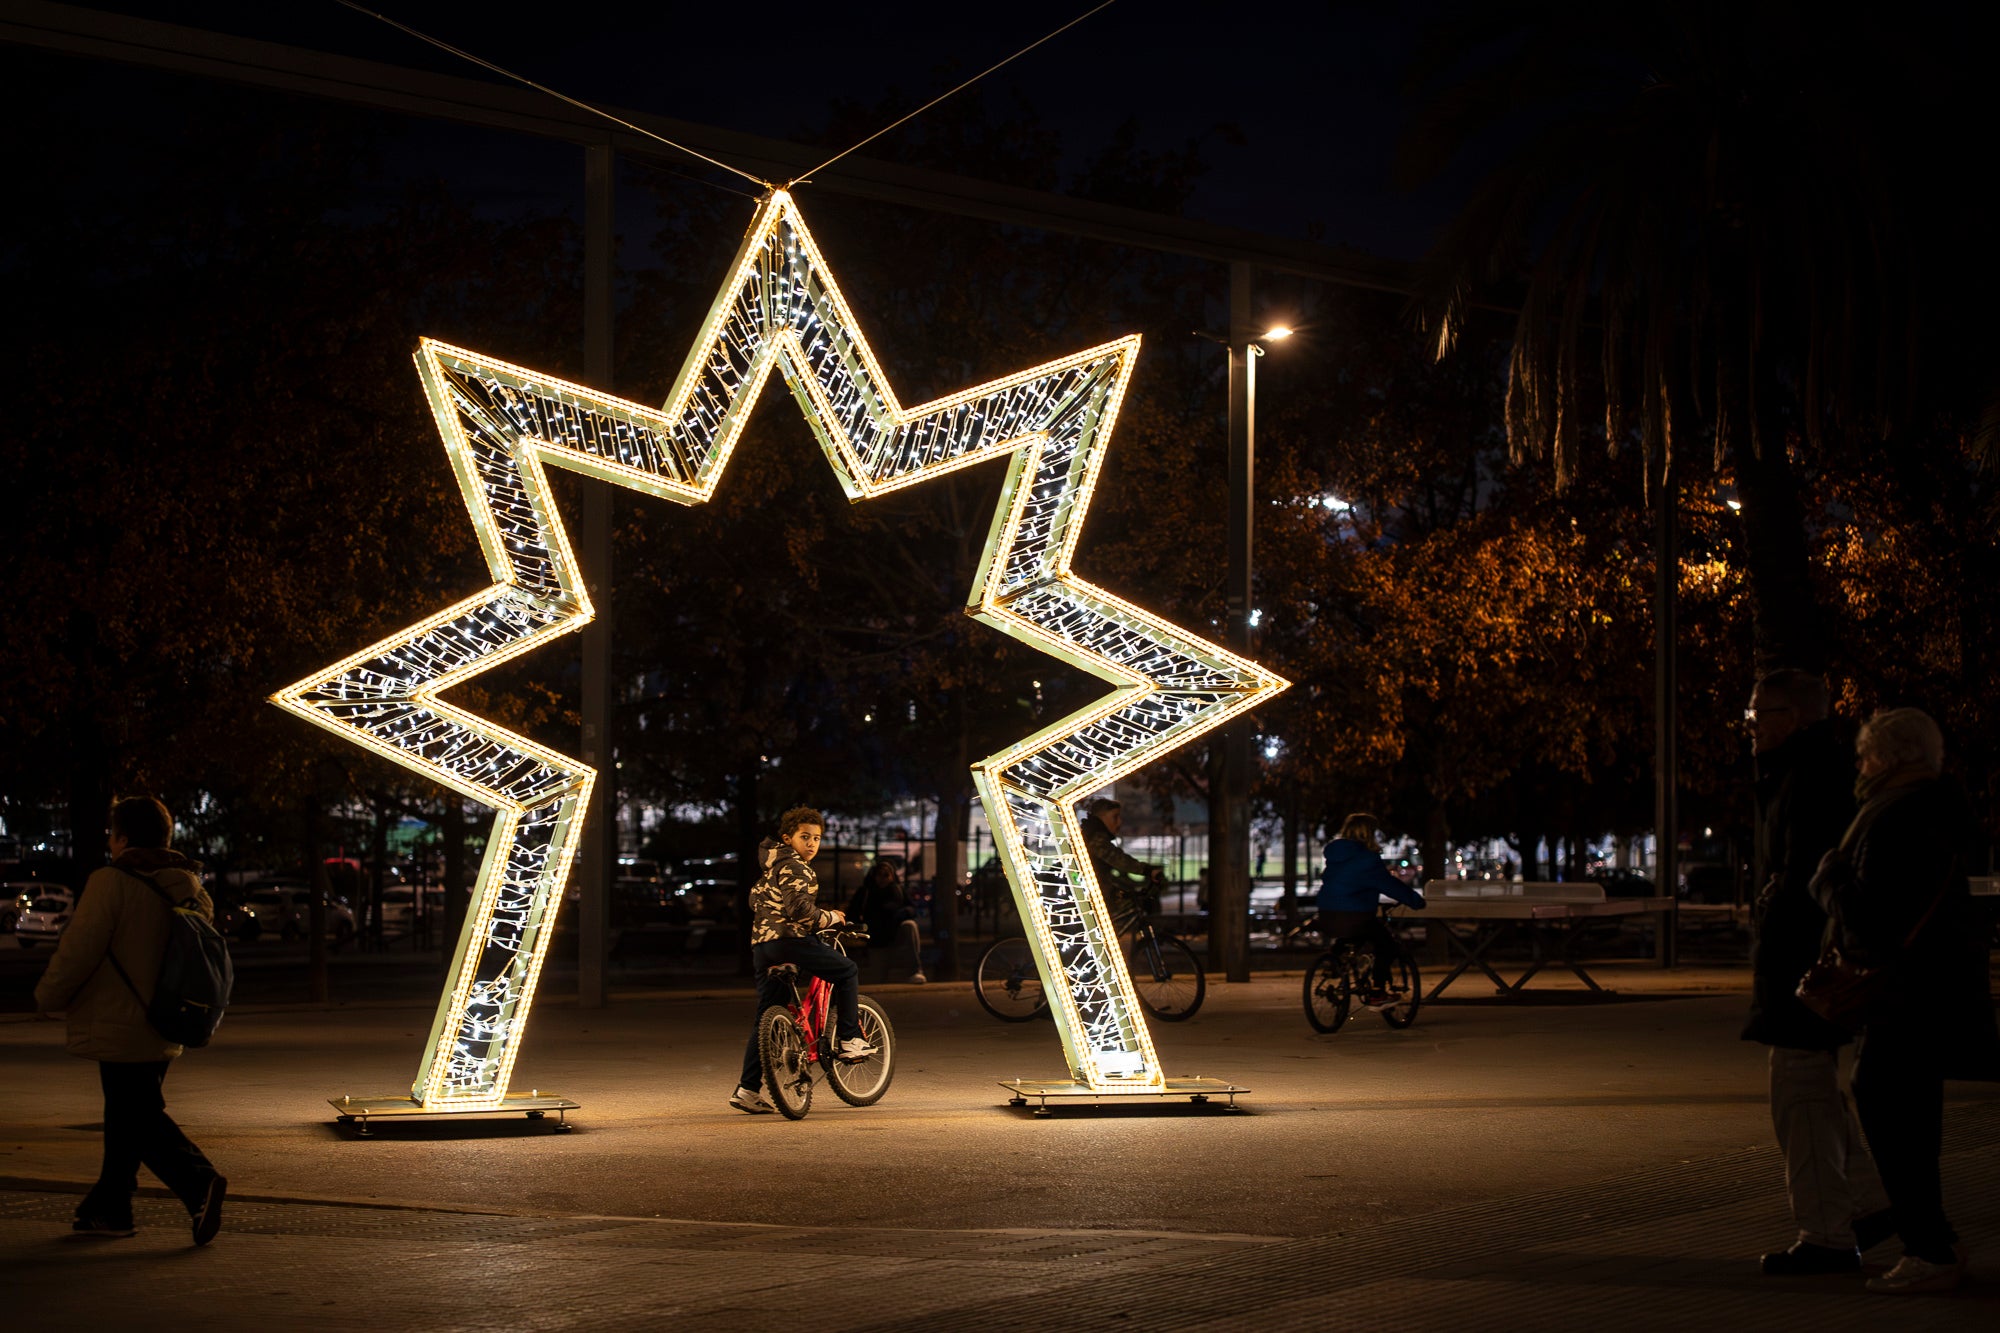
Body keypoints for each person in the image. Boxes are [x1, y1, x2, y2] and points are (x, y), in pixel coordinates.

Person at [1809, 708, 2000, 1295]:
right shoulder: (1948, 808)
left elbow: (1874, 921)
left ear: (1889, 759)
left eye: (1866, 756)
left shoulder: (1894, 815)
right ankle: (1937, 1240)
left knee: (1891, 1111)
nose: (1860, 767)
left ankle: (1929, 1247)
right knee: (1913, 1116)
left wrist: (1831, 880)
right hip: (1936, 990)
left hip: (1901, 996)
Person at [1739, 670, 1892, 1277]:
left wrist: (1776, 916)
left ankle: (1827, 1232)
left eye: (1759, 714)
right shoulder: (1808, 773)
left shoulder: (1806, 779)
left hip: (1802, 970)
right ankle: (1866, 1205)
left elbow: (1804, 876)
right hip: (1807, 965)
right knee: (1814, 1096)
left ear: (1795, 717)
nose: (1751, 728)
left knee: (1801, 1096)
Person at [33, 795, 227, 1245]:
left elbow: (79, 950)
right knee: (128, 1115)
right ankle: (111, 1207)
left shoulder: (110, 882)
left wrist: (47, 996)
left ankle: (199, 1182)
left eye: (111, 834)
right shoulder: (192, 889)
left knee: (138, 1118)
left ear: (121, 837)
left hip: (119, 1019)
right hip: (169, 1018)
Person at [730, 807, 874, 1115]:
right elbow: (798, 910)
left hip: (762, 948)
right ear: (788, 838)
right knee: (847, 970)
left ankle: (747, 1090)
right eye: (804, 837)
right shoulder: (795, 866)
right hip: (791, 942)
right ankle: (850, 1039)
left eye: (817, 838)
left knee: (766, 1017)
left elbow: (755, 900)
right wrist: (830, 917)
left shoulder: (769, 868)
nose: (811, 843)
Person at [1315, 813, 1426, 1001]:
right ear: (1369, 833)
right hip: (1356, 916)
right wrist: (1416, 901)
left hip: (1326, 915)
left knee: (1352, 936)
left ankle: (1333, 961)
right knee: (1387, 946)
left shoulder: (1335, 857)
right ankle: (1377, 991)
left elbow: (1346, 884)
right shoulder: (1367, 859)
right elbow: (1390, 885)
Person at [1079, 797, 1163, 930]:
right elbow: (1116, 858)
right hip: (1079, 894)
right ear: (1102, 817)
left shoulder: (1092, 833)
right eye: (1115, 817)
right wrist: (1147, 870)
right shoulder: (1095, 837)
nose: (1119, 822)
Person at [846, 858, 925, 985]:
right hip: (877, 940)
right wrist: (864, 930)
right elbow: (852, 913)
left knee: (910, 925)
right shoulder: (866, 892)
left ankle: (915, 971)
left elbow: (912, 908)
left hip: (896, 935)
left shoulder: (898, 890)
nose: (882, 878)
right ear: (874, 876)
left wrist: (905, 912)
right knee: (878, 980)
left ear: (892, 876)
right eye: (879, 875)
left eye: (886, 875)